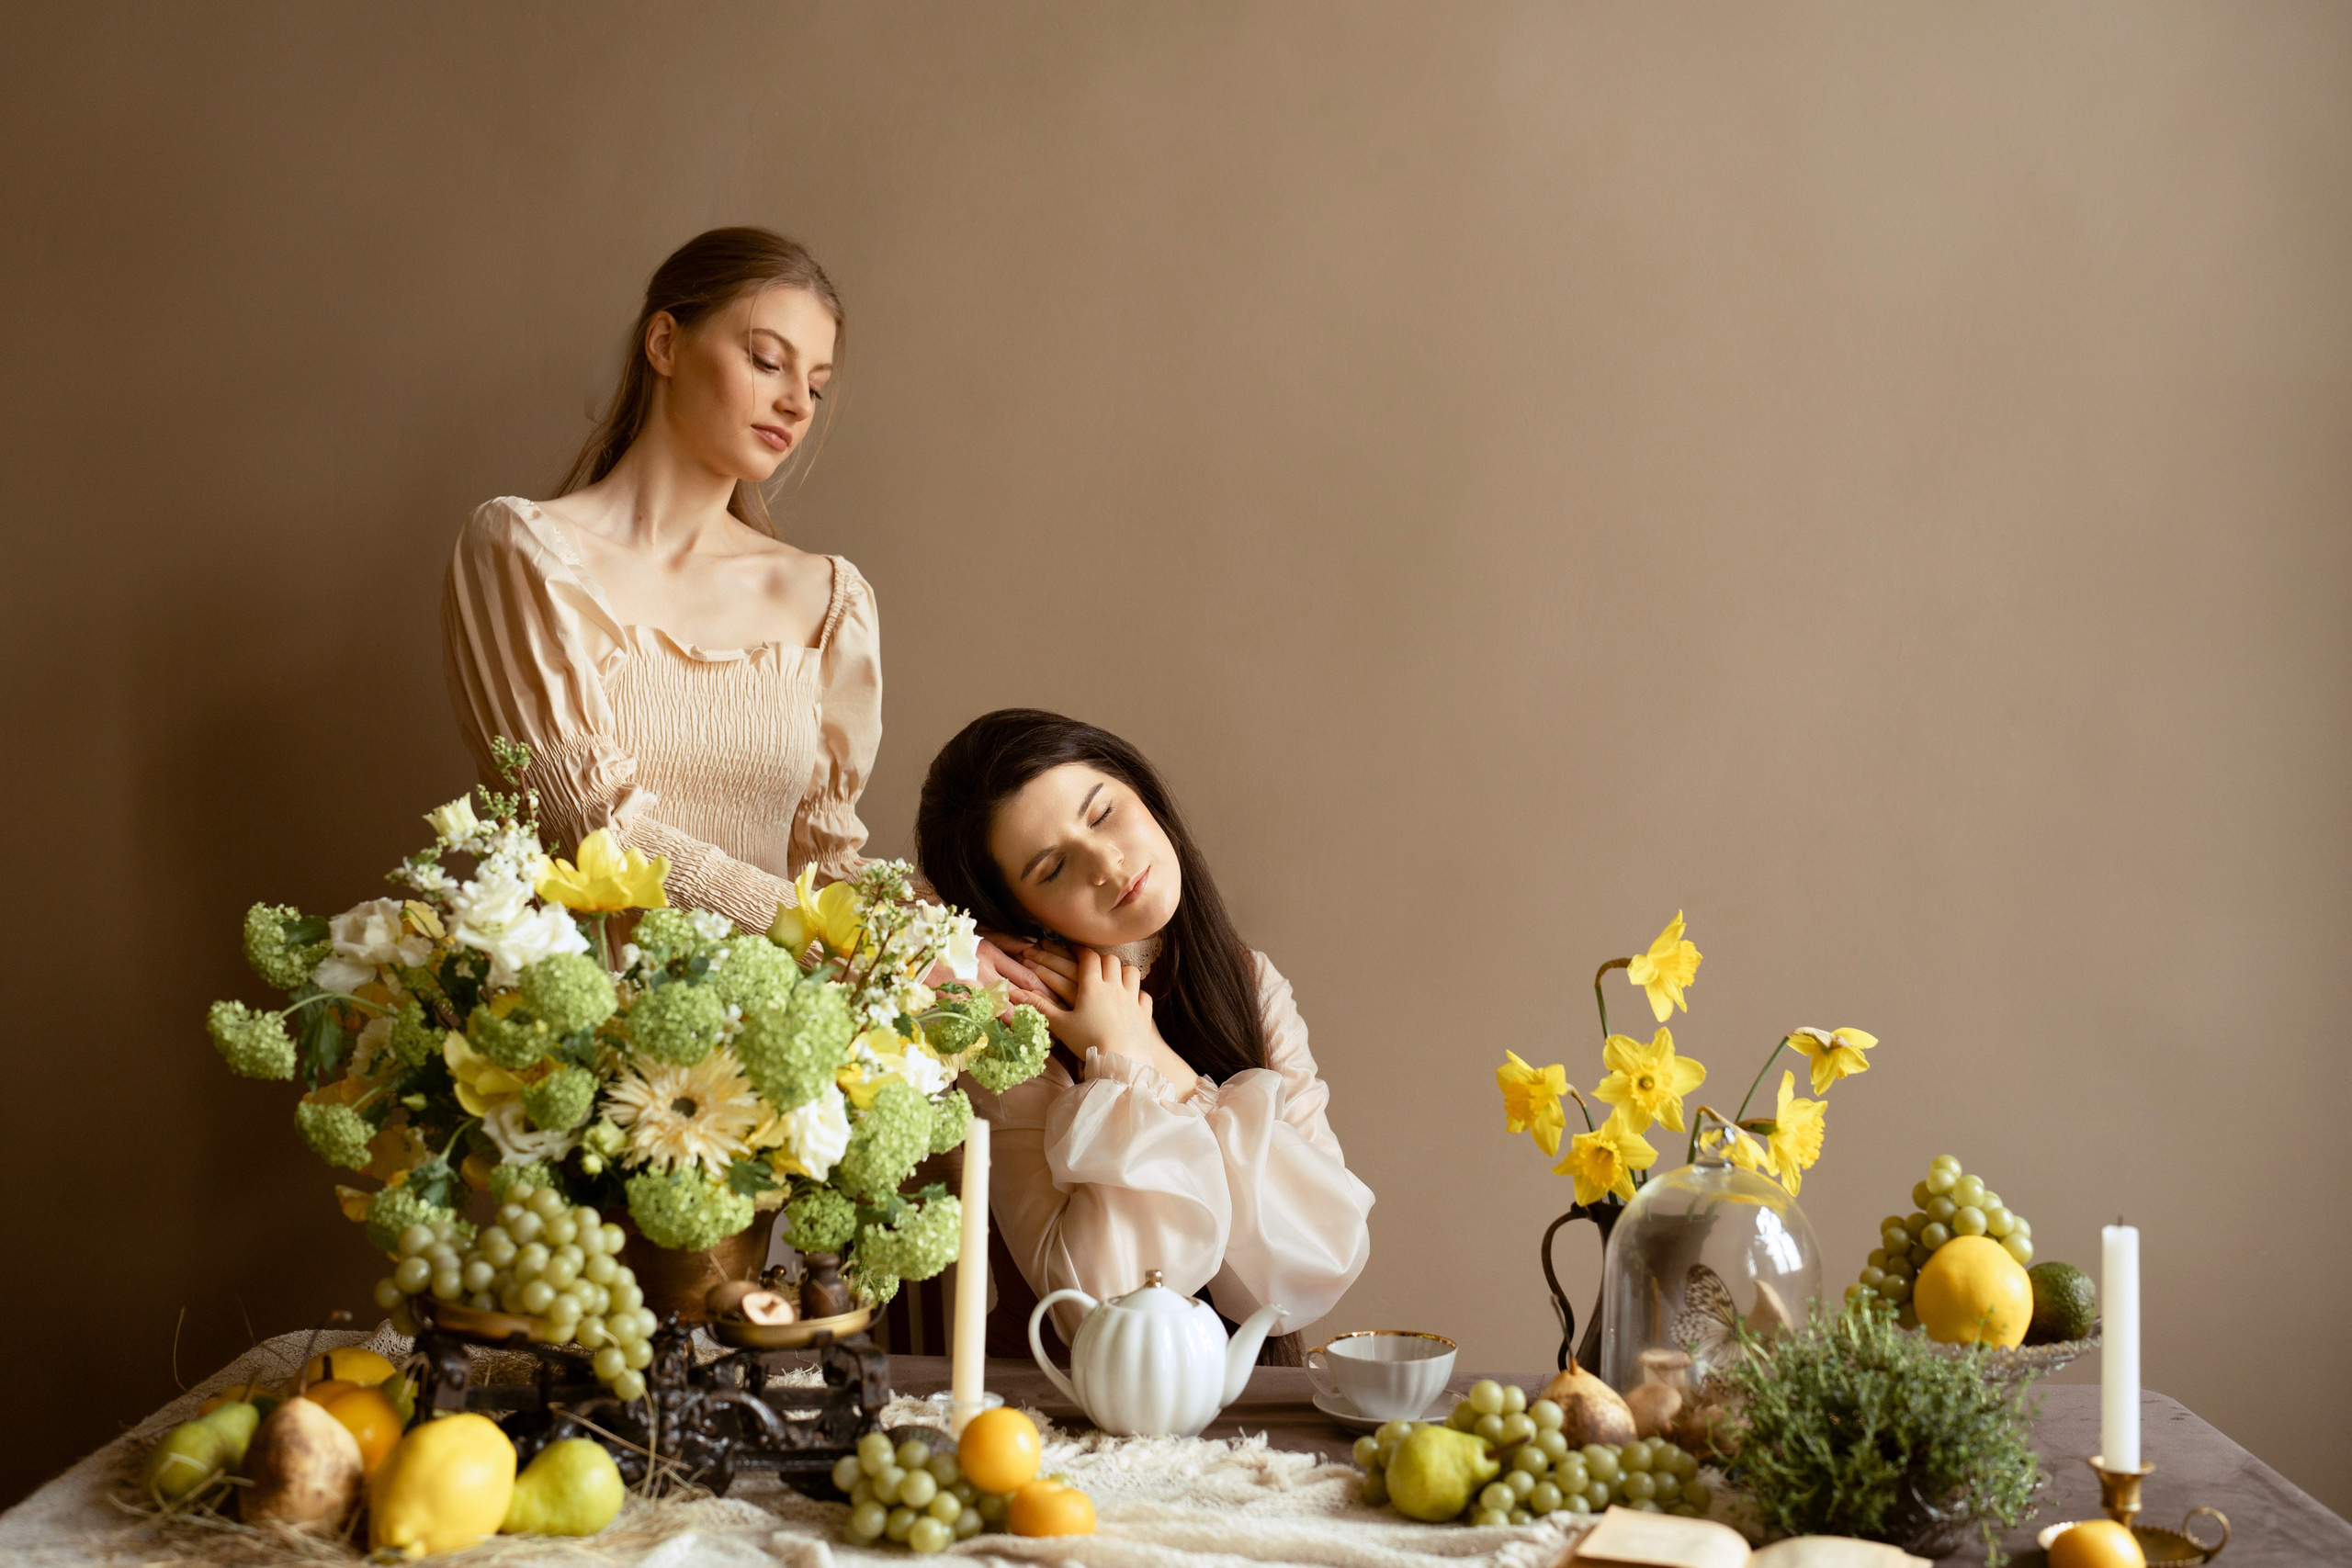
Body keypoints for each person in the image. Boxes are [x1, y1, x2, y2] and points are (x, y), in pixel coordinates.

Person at [441, 228, 877, 931]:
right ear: (666, 344)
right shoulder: (521, 550)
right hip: (585, 1025)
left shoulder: (829, 600)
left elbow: (827, 866)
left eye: (816, 387)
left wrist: (947, 944)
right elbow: (589, 825)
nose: (797, 402)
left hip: (780, 1028)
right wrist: (830, 936)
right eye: (769, 361)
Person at [915, 709, 1374, 1363]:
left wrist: (1150, 1059)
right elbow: (1099, 1306)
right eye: (1052, 869)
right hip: (1054, 1415)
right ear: (1018, 915)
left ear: (1140, 789)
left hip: (1252, 1408)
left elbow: (1316, 1255)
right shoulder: (1009, 1022)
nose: (1107, 862)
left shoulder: (1250, 980)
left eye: (1103, 813)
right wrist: (1114, 1070)